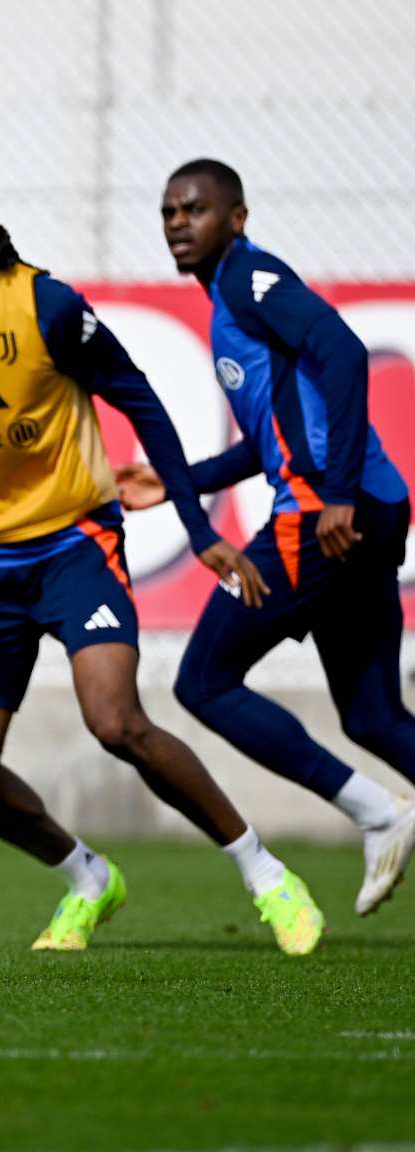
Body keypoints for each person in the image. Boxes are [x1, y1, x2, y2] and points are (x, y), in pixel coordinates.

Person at [0, 156, 324, 957]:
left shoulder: (44, 306)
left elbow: (141, 400)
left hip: (74, 543)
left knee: (116, 721)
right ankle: (87, 877)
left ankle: (266, 875)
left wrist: (197, 524)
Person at [117, 158, 415, 917]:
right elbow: (272, 439)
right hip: (361, 510)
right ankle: (383, 812)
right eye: (169, 211)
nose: (179, 222)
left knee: (203, 681)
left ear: (237, 219)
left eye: (196, 208)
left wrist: (338, 493)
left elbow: (345, 354)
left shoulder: (252, 282)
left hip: (327, 516)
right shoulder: (227, 301)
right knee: (373, 715)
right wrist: (184, 478)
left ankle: (378, 812)